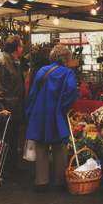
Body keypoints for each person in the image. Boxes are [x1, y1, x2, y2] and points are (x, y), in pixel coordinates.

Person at [25, 45, 79, 190]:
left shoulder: (42, 71)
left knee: (41, 146)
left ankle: (41, 181)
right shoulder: (68, 72)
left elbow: (32, 94)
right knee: (60, 145)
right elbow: (73, 90)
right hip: (57, 114)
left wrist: (30, 113)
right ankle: (60, 181)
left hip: (40, 113)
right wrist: (65, 107)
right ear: (66, 59)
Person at [0, 35, 26, 174]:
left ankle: (13, 167)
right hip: (7, 107)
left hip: (14, 106)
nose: (23, 48)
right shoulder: (2, 61)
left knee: (13, 138)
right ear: (17, 47)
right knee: (5, 139)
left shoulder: (13, 61)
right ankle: (3, 169)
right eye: (22, 46)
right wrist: (1, 107)